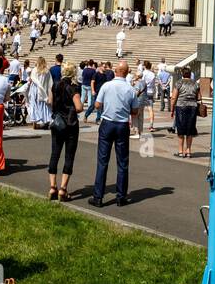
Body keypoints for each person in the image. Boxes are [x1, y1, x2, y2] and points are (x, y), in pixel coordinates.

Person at [90, 62, 144, 207]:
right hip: (121, 125)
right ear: (126, 73)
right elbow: (135, 111)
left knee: (102, 161)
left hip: (107, 122)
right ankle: (121, 196)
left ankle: (98, 196)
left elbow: (97, 104)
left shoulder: (107, 86)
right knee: (122, 162)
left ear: (115, 71)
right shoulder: (130, 89)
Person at [48, 61, 83, 201]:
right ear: (73, 73)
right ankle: (63, 189)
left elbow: (50, 102)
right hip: (70, 124)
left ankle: (52, 186)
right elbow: (79, 107)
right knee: (69, 155)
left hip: (57, 123)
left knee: (55, 153)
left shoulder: (55, 85)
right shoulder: (73, 87)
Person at [171, 66, 201, 157]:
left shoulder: (179, 83)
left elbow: (174, 97)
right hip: (192, 107)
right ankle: (188, 151)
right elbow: (199, 97)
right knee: (190, 129)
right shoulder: (195, 84)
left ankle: (180, 151)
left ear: (182, 74)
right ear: (190, 74)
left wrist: (172, 109)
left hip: (181, 107)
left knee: (181, 129)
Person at [27, 57, 53, 128]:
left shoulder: (35, 70)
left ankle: (35, 122)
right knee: (44, 106)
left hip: (35, 89)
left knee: (35, 105)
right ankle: (45, 120)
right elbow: (50, 83)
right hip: (43, 90)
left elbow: (32, 79)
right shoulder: (47, 71)